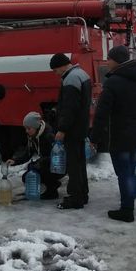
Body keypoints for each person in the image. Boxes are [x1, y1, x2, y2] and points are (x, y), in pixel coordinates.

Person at [91, 45, 136, 222]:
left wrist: (94, 138)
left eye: (109, 59)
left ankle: (127, 209)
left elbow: (102, 113)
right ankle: (129, 201)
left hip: (119, 135)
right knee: (131, 170)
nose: (107, 62)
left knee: (124, 173)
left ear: (116, 60)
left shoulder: (113, 82)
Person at [50, 53, 91, 209]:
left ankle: (75, 198)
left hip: (73, 129)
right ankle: (83, 194)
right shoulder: (82, 74)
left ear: (61, 66)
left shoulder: (71, 79)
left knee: (73, 164)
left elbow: (69, 108)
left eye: (55, 70)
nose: (56, 74)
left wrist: (62, 129)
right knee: (80, 163)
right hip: (81, 126)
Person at [6, 111, 64, 199]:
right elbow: (28, 153)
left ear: (36, 127)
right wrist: (15, 161)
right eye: (25, 128)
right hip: (47, 163)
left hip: (59, 166)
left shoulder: (48, 136)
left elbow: (56, 157)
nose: (26, 131)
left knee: (39, 168)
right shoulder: (33, 136)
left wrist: (39, 163)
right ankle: (47, 185)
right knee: (26, 176)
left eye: (29, 128)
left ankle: (52, 190)